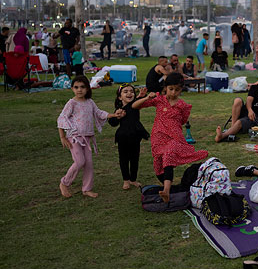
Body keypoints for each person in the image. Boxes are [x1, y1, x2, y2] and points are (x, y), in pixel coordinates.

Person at [133, 72, 208, 203]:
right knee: (158, 166)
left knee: (168, 156)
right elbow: (135, 106)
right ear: (165, 88)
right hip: (158, 137)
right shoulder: (159, 100)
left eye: (177, 90)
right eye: (171, 89)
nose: (173, 92)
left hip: (175, 138)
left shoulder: (183, 106)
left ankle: (166, 191)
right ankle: (172, 188)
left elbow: (184, 120)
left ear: (181, 89)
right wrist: (145, 97)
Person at [57, 75, 124, 198]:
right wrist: (62, 137)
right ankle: (64, 183)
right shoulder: (71, 103)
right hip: (74, 138)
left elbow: (98, 113)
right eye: (76, 87)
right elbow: (62, 118)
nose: (79, 90)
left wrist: (113, 115)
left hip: (87, 138)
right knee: (79, 161)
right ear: (72, 88)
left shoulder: (90, 102)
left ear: (88, 88)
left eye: (82, 87)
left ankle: (87, 189)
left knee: (88, 163)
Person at [108, 84, 150, 190]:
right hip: (123, 137)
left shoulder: (135, 105)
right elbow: (112, 123)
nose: (129, 93)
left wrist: (142, 96)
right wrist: (117, 117)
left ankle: (133, 179)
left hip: (135, 136)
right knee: (124, 159)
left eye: (131, 91)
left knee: (135, 158)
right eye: (125, 92)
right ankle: (126, 180)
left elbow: (138, 102)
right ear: (119, 97)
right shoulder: (119, 109)